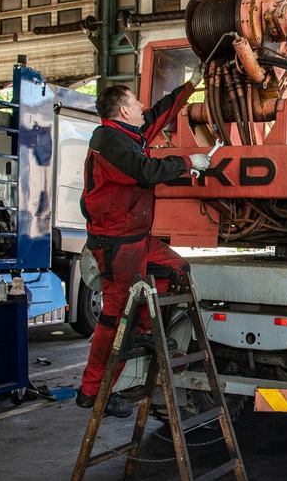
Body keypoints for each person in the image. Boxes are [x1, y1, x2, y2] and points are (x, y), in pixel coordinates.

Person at [76, 68, 210, 417]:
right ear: (122, 111)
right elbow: (145, 171)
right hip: (116, 245)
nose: (142, 105)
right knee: (117, 317)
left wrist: (191, 84)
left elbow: (159, 113)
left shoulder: (128, 132)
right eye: (136, 102)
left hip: (138, 239)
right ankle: (94, 392)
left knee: (176, 269)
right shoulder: (109, 142)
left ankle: (148, 331)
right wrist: (188, 162)